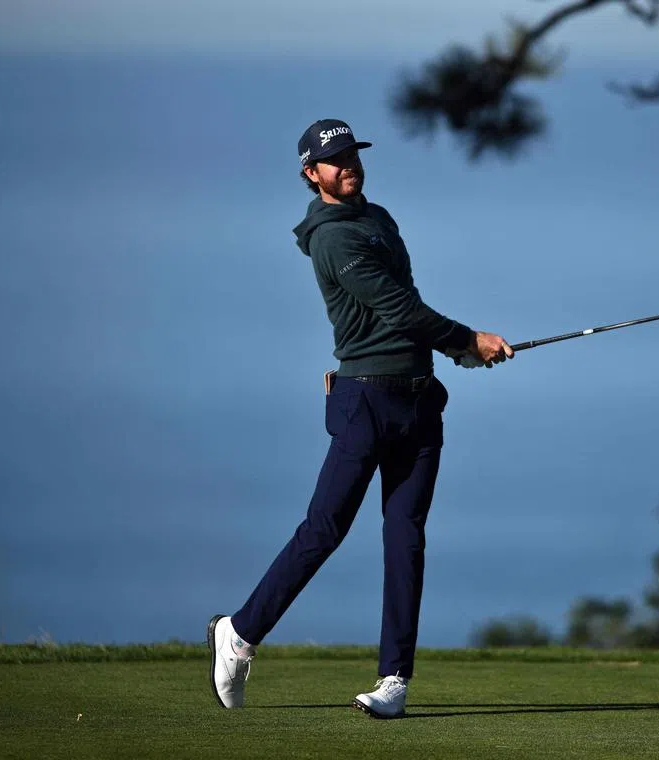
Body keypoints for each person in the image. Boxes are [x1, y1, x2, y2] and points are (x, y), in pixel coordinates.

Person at [207, 118, 514, 719]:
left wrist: (458, 352)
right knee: (325, 528)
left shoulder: (379, 219)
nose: (348, 163)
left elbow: (411, 306)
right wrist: (470, 337)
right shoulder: (331, 239)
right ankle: (238, 636)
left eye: (352, 153)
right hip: (364, 402)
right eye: (334, 158)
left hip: (421, 398)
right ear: (310, 173)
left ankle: (394, 679)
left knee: (406, 537)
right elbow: (397, 309)